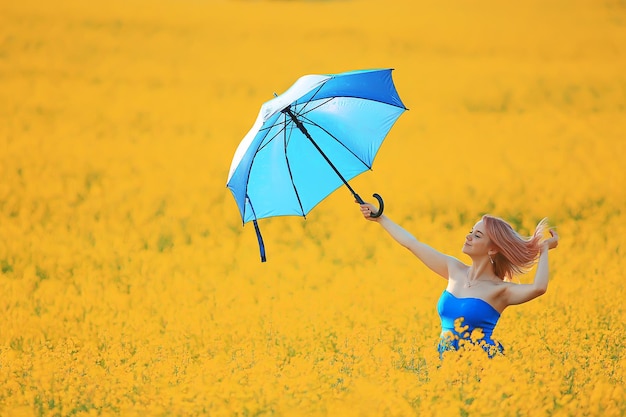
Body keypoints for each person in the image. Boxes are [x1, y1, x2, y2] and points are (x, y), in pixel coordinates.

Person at [359, 202, 559, 358]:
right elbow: (411, 243)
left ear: (492, 249)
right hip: (447, 366)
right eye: (471, 231)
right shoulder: (454, 269)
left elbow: (539, 288)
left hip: (481, 368)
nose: (469, 236)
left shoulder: (500, 290)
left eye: (477, 235)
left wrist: (543, 251)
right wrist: (380, 218)